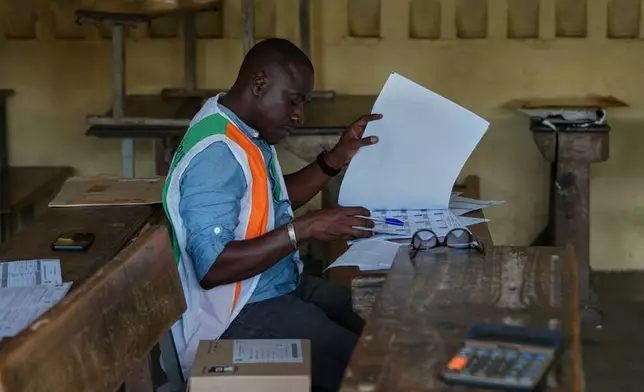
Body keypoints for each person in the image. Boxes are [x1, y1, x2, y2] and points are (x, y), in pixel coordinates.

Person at [162, 38, 382, 391]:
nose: (299, 115)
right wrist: (304, 229)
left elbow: (268, 201)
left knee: (381, 324)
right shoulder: (217, 154)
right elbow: (213, 267)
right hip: (232, 319)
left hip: (273, 286)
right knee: (368, 368)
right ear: (259, 84)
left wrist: (334, 159)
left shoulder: (237, 126)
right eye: (293, 101)